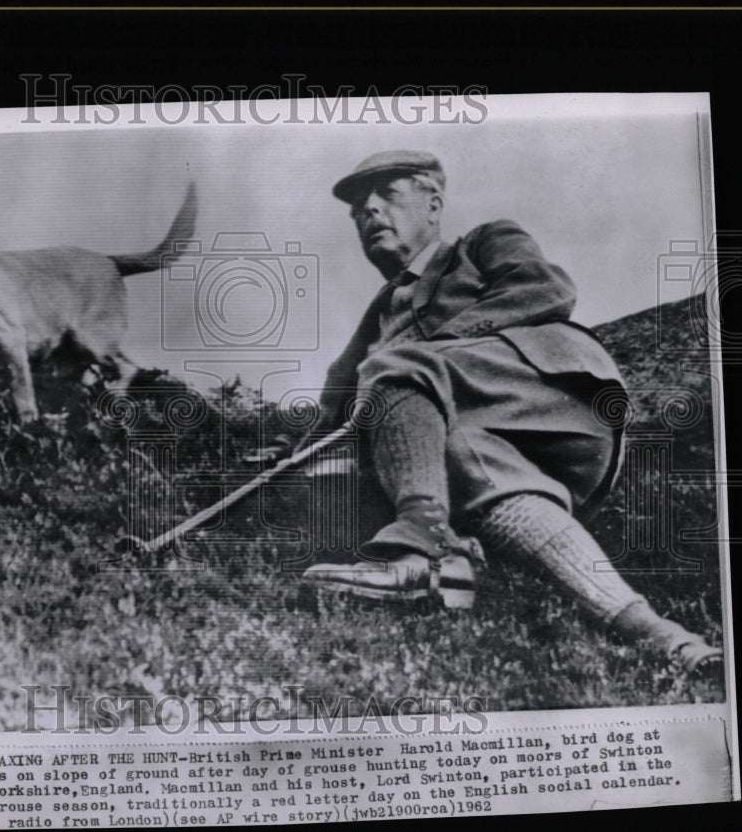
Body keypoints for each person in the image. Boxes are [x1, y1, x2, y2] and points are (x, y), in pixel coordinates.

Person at [283, 150, 720, 674]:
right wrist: (291, 453)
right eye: (358, 209)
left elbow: (546, 290)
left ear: (434, 203)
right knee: (456, 455)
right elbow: (340, 383)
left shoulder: (484, 242)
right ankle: (668, 642)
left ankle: (422, 546)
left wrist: (432, 349)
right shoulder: (383, 307)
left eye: (388, 194)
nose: (369, 212)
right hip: (477, 425)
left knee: (394, 367)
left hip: (555, 398)